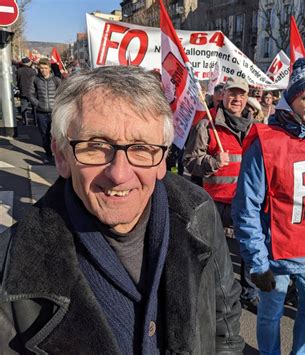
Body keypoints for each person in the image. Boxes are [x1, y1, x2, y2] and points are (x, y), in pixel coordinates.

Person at [0, 66, 244, 354]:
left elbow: (224, 321)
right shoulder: (10, 264)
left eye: (141, 147)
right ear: (62, 156)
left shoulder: (199, 211)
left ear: (164, 158)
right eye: (96, 146)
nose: (119, 174)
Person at [232, 58, 305, 354]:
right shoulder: (265, 143)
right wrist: (257, 262)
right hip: (277, 254)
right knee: (271, 314)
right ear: (291, 99)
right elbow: (247, 207)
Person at [183, 76, 259, 308]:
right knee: (218, 253)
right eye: (232, 94)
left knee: (249, 249)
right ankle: (221, 296)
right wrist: (213, 162)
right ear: (223, 95)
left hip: (246, 200)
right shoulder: (207, 124)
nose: (237, 99)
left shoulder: (256, 127)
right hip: (216, 201)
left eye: (241, 95)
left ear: (247, 99)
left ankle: (249, 293)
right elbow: (190, 161)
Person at [29, 58, 61, 163]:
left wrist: (57, 105)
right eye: (41, 68)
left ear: (49, 68)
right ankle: (48, 155)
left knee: (57, 136)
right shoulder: (35, 79)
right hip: (41, 113)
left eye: (45, 68)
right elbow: (30, 94)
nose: (43, 70)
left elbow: (63, 94)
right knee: (44, 136)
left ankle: (59, 155)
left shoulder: (56, 80)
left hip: (55, 113)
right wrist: (37, 104)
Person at [16, 57, 37, 125]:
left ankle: (25, 121)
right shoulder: (33, 71)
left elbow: (17, 81)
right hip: (32, 92)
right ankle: (35, 122)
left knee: (23, 107)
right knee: (34, 107)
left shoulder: (18, 71)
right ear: (28, 63)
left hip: (23, 91)